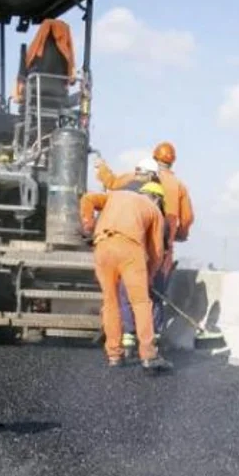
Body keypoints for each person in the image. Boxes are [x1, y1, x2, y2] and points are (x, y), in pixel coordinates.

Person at [96, 143, 195, 354]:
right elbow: (186, 220)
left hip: (135, 243)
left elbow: (111, 182)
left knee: (128, 291)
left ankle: (129, 334)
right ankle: (153, 338)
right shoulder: (178, 185)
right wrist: (179, 236)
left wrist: (101, 168)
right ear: (172, 161)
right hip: (161, 247)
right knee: (153, 293)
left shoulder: (135, 177)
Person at [79, 182, 173, 373]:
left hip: (103, 246)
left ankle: (114, 355)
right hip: (130, 249)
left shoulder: (115, 195)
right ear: (157, 199)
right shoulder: (154, 211)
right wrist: (150, 275)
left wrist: (88, 224)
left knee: (110, 302)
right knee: (140, 302)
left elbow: (87, 198)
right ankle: (148, 355)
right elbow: (156, 251)